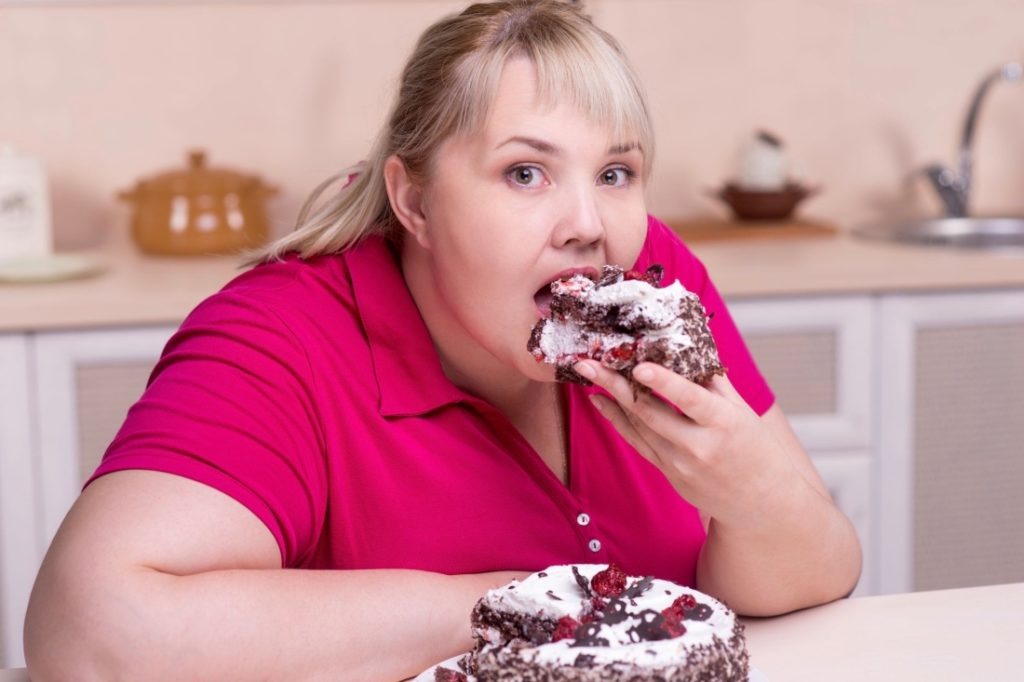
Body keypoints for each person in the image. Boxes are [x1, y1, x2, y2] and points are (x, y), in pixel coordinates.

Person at [24, 1, 861, 679]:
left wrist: (753, 493)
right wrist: (517, 606)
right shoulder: (284, 334)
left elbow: (818, 571)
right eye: (524, 173)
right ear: (414, 201)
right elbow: (88, 631)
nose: (588, 226)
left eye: (615, 174)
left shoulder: (651, 276)